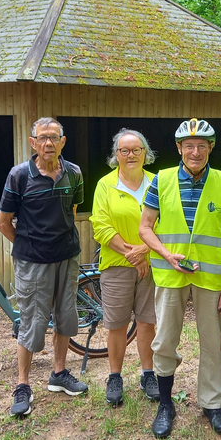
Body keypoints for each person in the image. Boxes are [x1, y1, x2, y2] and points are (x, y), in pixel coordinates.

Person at [138, 118, 221, 438]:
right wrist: (166, 254)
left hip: (211, 277)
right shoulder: (161, 180)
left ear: (210, 148)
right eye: (188, 146)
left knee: (212, 343)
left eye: (202, 145)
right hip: (170, 275)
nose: (195, 152)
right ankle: (166, 404)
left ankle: (212, 405)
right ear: (179, 148)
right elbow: (145, 227)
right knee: (165, 341)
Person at [0, 117, 88, 417]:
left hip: (67, 257)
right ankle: (23, 384)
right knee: (32, 321)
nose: (48, 143)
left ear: (63, 141)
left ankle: (59, 374)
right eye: (42, 138)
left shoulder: (73, 173)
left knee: (65, 314)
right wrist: (29, 246)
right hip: (33, 262)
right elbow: (3, 223)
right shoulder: (19, 175)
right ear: (33, 142)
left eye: (54, 137)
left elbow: (71, 213)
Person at [90, 129, 159, 405]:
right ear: (115, 155)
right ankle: (115, 376)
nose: (131, 155)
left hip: (152, 264)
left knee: (147, 322)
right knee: (116, 325)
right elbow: (100, 224)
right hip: (117, 264)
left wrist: (146, 251)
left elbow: (166, 221)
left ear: (146, 153)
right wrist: (134, 253)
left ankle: (148, 374)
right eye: (124, 150)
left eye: (136, 150)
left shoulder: (158, 183)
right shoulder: (105, 185)